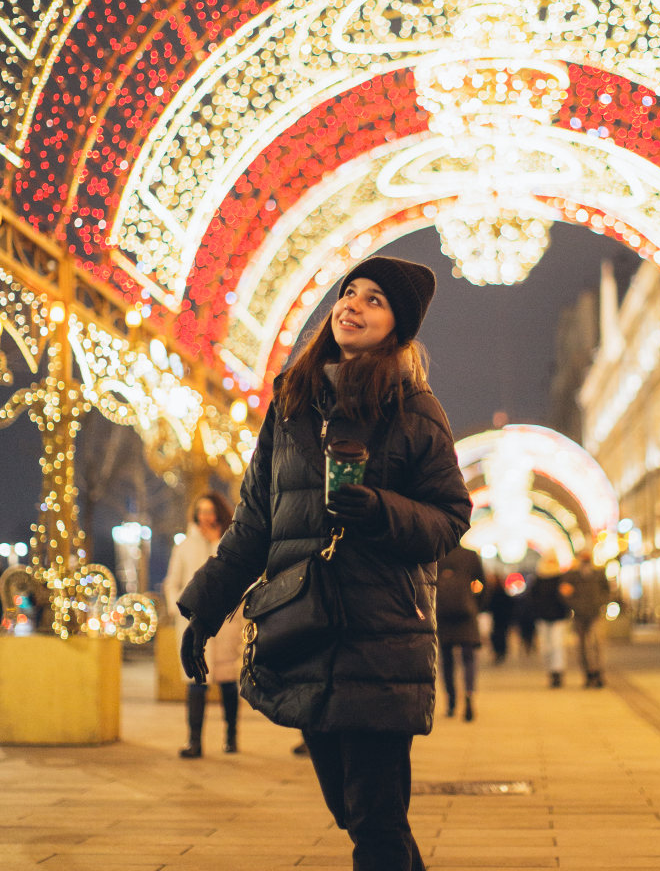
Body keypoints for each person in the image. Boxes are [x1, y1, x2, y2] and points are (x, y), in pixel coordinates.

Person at [177, 255, 472, 871]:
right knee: (352, 810)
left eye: (374, 301)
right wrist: (203, 610)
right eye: (349, 293)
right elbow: (256, 521)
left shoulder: (416, 411)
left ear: (399, 325)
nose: (353, 307)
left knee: (375, 821)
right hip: (304, 631)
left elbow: (449, 518)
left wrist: (380, 510)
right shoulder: (292, 404)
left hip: (381, 636)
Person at [163, 491, 243, 757]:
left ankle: (231, 736)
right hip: (191, 622)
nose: (206, 517)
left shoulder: (231, 543)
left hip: (226, 626)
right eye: (202, 511)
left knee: (228, 680)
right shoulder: (184, 546)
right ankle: (194, 741)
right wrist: (179, 609)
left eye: (210, 511)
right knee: (196, 679)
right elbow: (172, 583)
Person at [435, 543, 484, 721]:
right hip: (466, 612)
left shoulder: (438, 555)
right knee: (469, 658)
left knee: (446, 660)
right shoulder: (470, 555)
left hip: (443, 612)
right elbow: (483, 582)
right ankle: (469, 695)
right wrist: (476, 604)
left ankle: (451, 702)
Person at [560, 545, 611, 687]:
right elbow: (565, 593)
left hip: (595, 613)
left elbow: (607, 591)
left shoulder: (599, 573)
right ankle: (588, 673)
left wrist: (600, 602)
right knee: (581, 645)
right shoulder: (572, 575)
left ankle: (598, 672)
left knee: (596, 643)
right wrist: (574, 604)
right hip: (580, 615)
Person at [525, 550, 571, 688]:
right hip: (543, 618)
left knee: (557, 645)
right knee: (546, 647)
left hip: (558, 617)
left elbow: (566, 597)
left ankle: (557, 672)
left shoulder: (561, 578)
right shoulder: (538, 579)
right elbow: (531, 599)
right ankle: (550, 671)